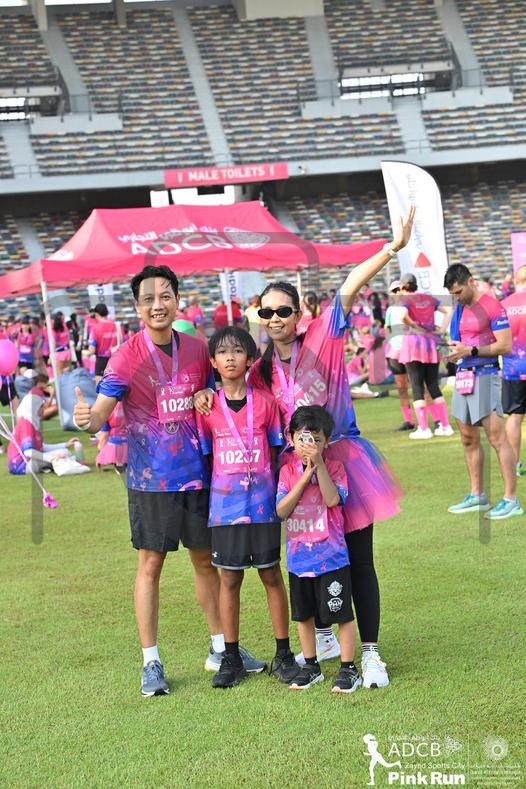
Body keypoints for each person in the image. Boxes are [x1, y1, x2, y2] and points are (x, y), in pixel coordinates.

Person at [195, 207, 415, 688]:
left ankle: (370, 654)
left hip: (344, 463)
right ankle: (324, 640)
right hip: (297, 476)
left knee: (358, 561)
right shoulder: (260, 369)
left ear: (298, 314)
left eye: (283, 311)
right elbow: (233, 390)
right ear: (260, 318)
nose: (274, 318)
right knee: (310, 559)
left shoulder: (323, 336)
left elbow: (350, 286)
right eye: (266, 312)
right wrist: (203, 393)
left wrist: (390, 249)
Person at [72, 265, 265, 698]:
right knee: (150, 566)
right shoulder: (125, 357)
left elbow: (219, 393)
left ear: (177, 300)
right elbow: (99, 414)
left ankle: (221, 648)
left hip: (198, 476)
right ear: (137, 307)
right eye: (148, 299)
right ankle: (151, 661)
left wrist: (207, 395)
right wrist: (88, 419)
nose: (157, 305)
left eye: (165, 296)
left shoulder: (198, 349)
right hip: (150, 481)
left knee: (206, 562)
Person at [196, 327, 300, 689]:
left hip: (263, 506)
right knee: (229, 579)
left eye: (238, 351)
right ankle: (231, 658)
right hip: (225, 508)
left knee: (271, 574)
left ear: (250, 359)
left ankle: (283, 654)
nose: (230, 358)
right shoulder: (206, 408)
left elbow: (275, 453)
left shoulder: (267, 405)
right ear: (213, 362)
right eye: (222, 353)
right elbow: (206, 458)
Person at [276, 406, 360, 693]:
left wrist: (319, 466)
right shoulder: (287, 472)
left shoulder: (334, 469)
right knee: (303, 615)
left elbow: (332, 499)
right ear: (291, 438)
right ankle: (311, 666)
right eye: (302, 439)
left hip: (332, 558)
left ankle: (348, 668)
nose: (308, 446)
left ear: (327, 442)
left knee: (341, 612)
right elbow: (282, 510)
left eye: (316, 440)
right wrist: (304, 475)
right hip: (299, 560)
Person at [444, 263, 522, 519]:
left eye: (458, 292)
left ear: (471, 282)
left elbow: (505, 346)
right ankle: (477, 495)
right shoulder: (459, 309)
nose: (456, 297)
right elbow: (461, 342)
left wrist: (471, 350)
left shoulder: (492, 306)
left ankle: (511, 499)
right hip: (463, 375)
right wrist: (453, 351)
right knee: (467, 438)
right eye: (452, 294)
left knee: (497, 439)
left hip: (485, 375)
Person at [398, 272, 453, 439]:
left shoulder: (406, 299)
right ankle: (445, 426)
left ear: (403, 287)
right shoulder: (428, 298)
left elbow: (402, 317)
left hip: (414, 344)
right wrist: (442, 330)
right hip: (431, 343)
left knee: (417, 387)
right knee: (433, 385)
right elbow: (449, 311)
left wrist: (414, 325)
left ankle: (424, 428)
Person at [8, 377, 76, 475]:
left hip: (27, 463)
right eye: (41, 407)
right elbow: (28, 452)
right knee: (65, 454)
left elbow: (41, 447)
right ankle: (57, 463)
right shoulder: (26, 424)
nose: (43, 410)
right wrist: (51, 458)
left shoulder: (31, 422)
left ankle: (56, 464)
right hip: (23, 466)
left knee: (64, 452)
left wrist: (65, 444)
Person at [501, 265, 526, 477]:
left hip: (513, 368)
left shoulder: (504, 306)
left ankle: (515, 464)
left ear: (516, 281)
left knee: (515, 416)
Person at [385, 280, 414, 431]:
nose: (397, 293)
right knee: (402, 388)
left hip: (411, 349)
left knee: (419, 386)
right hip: (395, 351)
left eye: (399, 290)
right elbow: (387, 327)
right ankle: (408, 420)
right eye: (394, 291)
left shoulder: (409, 307)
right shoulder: (390, 310)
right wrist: (390, 340)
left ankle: (436, 420)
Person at [88, 303, 118, 381]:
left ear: (96, 314)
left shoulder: (95, 328)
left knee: (100, 384)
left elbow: (92, 350)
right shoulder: (116, 325)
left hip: (101, 360)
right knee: (115, 383)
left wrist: (87, 354)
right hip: (115, 359)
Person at [95, 401, 128, 470]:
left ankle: (119, 463)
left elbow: (104, 437)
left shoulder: (106, 411)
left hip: (116, 444)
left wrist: (101, 456)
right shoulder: (134, 405)